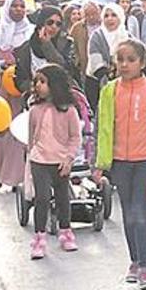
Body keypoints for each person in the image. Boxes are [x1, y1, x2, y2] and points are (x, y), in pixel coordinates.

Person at [94, 39, 146, 290]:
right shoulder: (109, 90)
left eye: (131, 60)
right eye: (120, 60)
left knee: (140, 211)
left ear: (142, 63)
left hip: (145, 159)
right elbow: (103, 128)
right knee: (127, 211)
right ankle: (133, 261)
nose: (124, 65)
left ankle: (145, 266)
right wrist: (100, 163)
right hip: (120, 161)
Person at [27, 63, 82, 259]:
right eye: (36, 82)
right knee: (41, 198)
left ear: (55, 84)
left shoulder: (69, 111)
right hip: (39, 160)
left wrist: (69, 158)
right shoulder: (34, 110)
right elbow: (31, 137)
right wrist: (30, 158)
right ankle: (39, 238)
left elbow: (75, 137)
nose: (38, 86)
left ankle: (65, 232)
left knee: (63, 198)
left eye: (43, 81)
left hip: (60, 161)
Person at [0, 0, 35, 188]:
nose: (19, 9)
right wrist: (2, 65)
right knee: (1, 132)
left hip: (23, 89)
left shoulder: (32, 32)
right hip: (1, 90)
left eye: (22, 6)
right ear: (7, 8)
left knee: (20, 132)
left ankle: (18, 176)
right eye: (14, 6)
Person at [15, 6, 79, 89]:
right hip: (36, 96)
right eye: (50, 22)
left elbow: (65, 69)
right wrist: (35, 87)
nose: (54, 27)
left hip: (63, 94)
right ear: (41, 24)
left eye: (58, 24)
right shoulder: (26, 48)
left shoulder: (67, 43)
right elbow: (20, 79)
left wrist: (47, 45)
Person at [87, 3, 130, 105]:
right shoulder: (97, 36)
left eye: (113, 15)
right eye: (106, 16)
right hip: (97, 83)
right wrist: (109, 82)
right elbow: (96, 63)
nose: (109, 19)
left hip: (124, 83)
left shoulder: (127, 36)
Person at [70, 2, 101, 111]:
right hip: (85, 67)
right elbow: (71, 46)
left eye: (94, 14)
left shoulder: (104, 25)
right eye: (88, 15)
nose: (91, 17)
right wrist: (77, 61)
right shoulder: (77, 27)